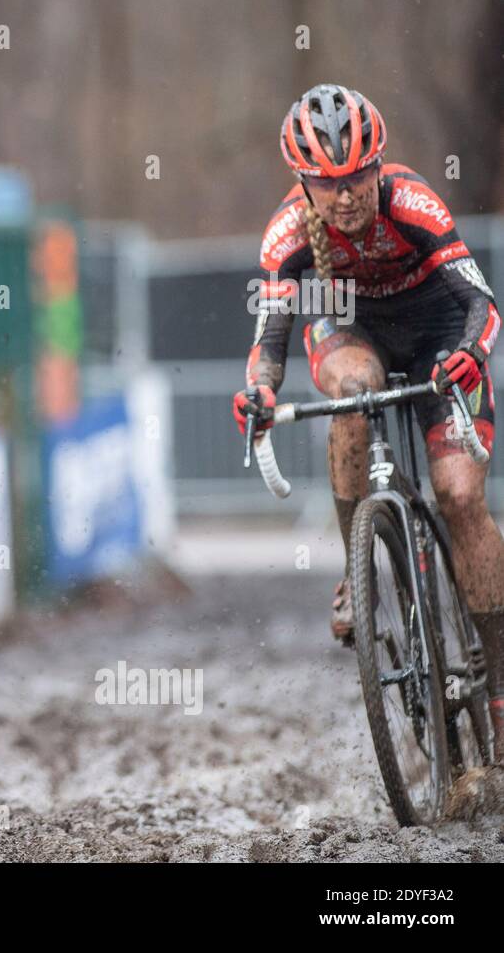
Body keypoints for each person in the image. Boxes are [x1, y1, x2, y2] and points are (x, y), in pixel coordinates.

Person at [232, 84, 504, 757]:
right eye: (328, 184)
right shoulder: (287, 235)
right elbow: (270, 344)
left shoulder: (414, 204)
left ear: (379, 167)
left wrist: (471, 354)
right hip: (351, 327)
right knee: (353, 391)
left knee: (462, 495)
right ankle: (359, 570)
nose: (346, 196)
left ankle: (499, 679)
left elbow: (481, 302)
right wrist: (259, 395)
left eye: (358, 178)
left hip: (439, 328)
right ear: (303, 183)